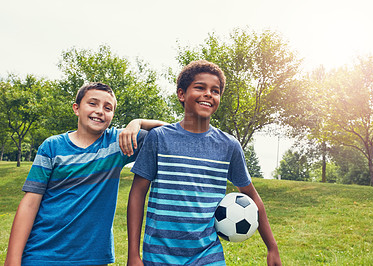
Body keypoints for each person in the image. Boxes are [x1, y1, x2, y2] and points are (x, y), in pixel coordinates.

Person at [125, 60, 281, 265]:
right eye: (200, 87)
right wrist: (133, 255)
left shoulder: (229, 146)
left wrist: (272, 247)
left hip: (207, 255)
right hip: (158, 253)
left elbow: (252, 196)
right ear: (182, 94)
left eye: (215, 91)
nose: (208, 94)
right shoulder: (159, 138)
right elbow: (137, 194)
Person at [5, 82, 166, 266]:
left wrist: (137, 122)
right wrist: (13, 259)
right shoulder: (52, 146)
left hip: (92, 258)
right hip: (42, 254)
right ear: (76, 108)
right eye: (92, 103)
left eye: (108, 108)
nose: (100, 111)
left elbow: (169, 132)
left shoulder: (118, 143)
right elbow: (30, 204)